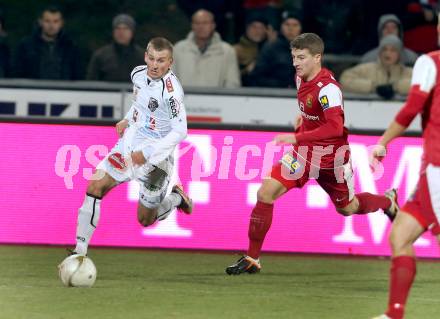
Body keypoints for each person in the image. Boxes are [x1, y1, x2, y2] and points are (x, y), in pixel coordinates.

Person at [225, 33, 399, 275]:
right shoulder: (300, 77)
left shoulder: (328, 89)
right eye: (294, 57)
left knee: (348, 208)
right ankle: (252, 258)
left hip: (332, 159)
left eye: (302, 57)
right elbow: (310, 114)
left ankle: (388, 201)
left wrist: (297, 136)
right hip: (304, 155)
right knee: (265, 193)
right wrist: (302, 127)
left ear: (317, 57)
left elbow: (334, 127)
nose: (296, 63)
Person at [71, 37, 193, 257]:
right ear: (146, 56)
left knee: (145, 219)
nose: (155, 65)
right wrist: (128, 119)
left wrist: (146, 153)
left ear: (170, 63)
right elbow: (141, 103)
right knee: (95, 186)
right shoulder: (138, 73)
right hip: (128, 145)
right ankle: (79, 252)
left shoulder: (172, 93)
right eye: (152, 58)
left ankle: (177, 198)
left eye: (161, 61)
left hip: (156, 159)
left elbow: (180, 131)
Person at [370, 13, 440, 319]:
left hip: (438, 165)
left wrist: (383, 142)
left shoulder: (430, 62)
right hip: (430, 169)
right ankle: (394, 314)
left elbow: (413, 107)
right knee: (400, 235)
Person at [173, 9, 240, 88]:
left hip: (216, 99)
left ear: (213, 25)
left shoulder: (227, 51)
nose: (201, 27)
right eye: (197, 23)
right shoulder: (178, 49)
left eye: (205, 23)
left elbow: (232, 83)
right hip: (184, 99)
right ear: (192, 25)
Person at [12, 6, 81, 80]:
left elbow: (77, 75)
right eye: (47, 21)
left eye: (56, 21)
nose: (51, 26)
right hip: (33, 90)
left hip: (63, 90)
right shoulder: (26, 46)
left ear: (61, 23)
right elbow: (17, 73)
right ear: (40, 22)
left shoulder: (71, 47)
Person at [340, 35, 412, 99]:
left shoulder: (408, 72)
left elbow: (420, 85)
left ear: (399, 54)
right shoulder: (367, 68)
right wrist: (373, 87)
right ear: (380, 52)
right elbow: (345, 79)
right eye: (384, 49)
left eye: (393, 50)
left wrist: (395, 87)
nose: (387, 53)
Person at [247, 11, 301, 88]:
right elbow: (256, 77)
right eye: (287, 24)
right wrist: (283, 85)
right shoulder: (270, 48)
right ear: (281, 27)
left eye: (295, 25)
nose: (291, 29)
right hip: (275, 95)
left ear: (301, 28)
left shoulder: (308, 50)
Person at [86, 14, 145, 82]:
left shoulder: (143, 57)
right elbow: (91, 83)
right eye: (118, 29)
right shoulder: (101, 56)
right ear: (113, 32)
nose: (121, 32)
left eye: (125, 29)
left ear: (132, 32)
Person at [234, 16, 269, 86]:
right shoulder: (236, 50)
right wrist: (246, 71)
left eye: (261, 28)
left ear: (266, 30)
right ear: (247, 29)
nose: (257, 31)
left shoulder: (272, 50)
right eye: (254, 27)